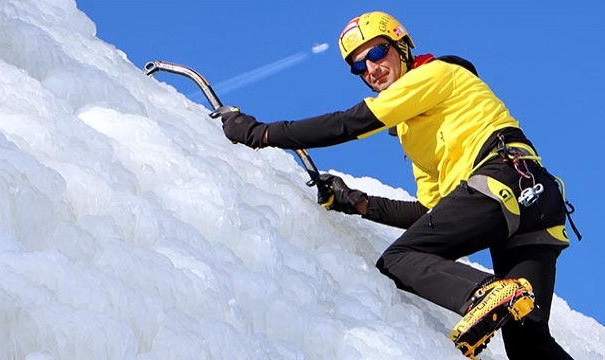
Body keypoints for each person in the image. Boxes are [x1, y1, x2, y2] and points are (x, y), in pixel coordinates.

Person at [212, 11, 577, 359]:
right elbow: (432, 212)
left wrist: (259, 133)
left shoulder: (437, 73)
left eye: (376, 52)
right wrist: (359, 203)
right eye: (360, 65)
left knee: (398, 259)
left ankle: (481, 293)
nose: (371, 68)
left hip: (503, 178)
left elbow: (350, 122)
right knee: (528, 344)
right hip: (536, 206)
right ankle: (494, 297)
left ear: (401, 46)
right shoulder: (412, 131)